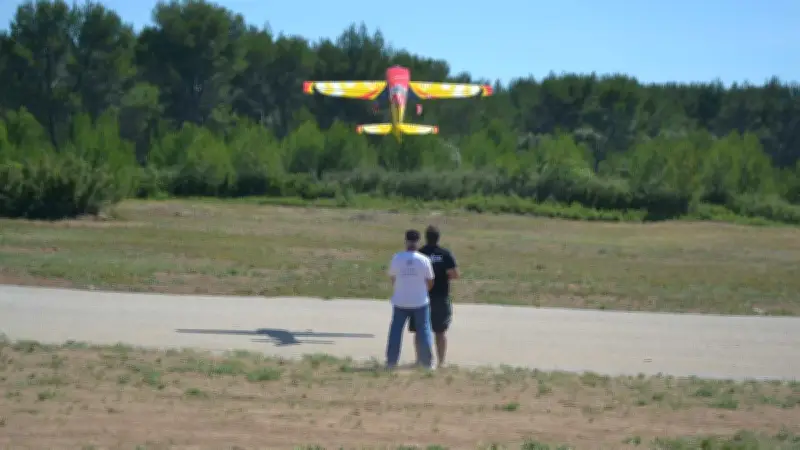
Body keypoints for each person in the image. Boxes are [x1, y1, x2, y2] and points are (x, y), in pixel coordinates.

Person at [408, 225, 459, 368]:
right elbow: (454, 274)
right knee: (440, 331)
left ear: (426, 237)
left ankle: (419, 360)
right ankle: (441, 362)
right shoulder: (445, 254)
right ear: (438, 238)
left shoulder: (419, 254)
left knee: (419, 330)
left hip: (421, 296)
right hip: (440, 296)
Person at [385, 229, 436, 370]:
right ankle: (427, 363)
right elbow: (430, 281)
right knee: (424, 330)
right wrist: (423, 290)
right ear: (418, 242)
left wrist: (401, 288)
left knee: (396, 331)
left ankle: (391, 362)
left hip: (401, 301)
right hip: (419, 301)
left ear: (406, 241)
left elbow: (393, 278)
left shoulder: (397, 258)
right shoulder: (424, 260)